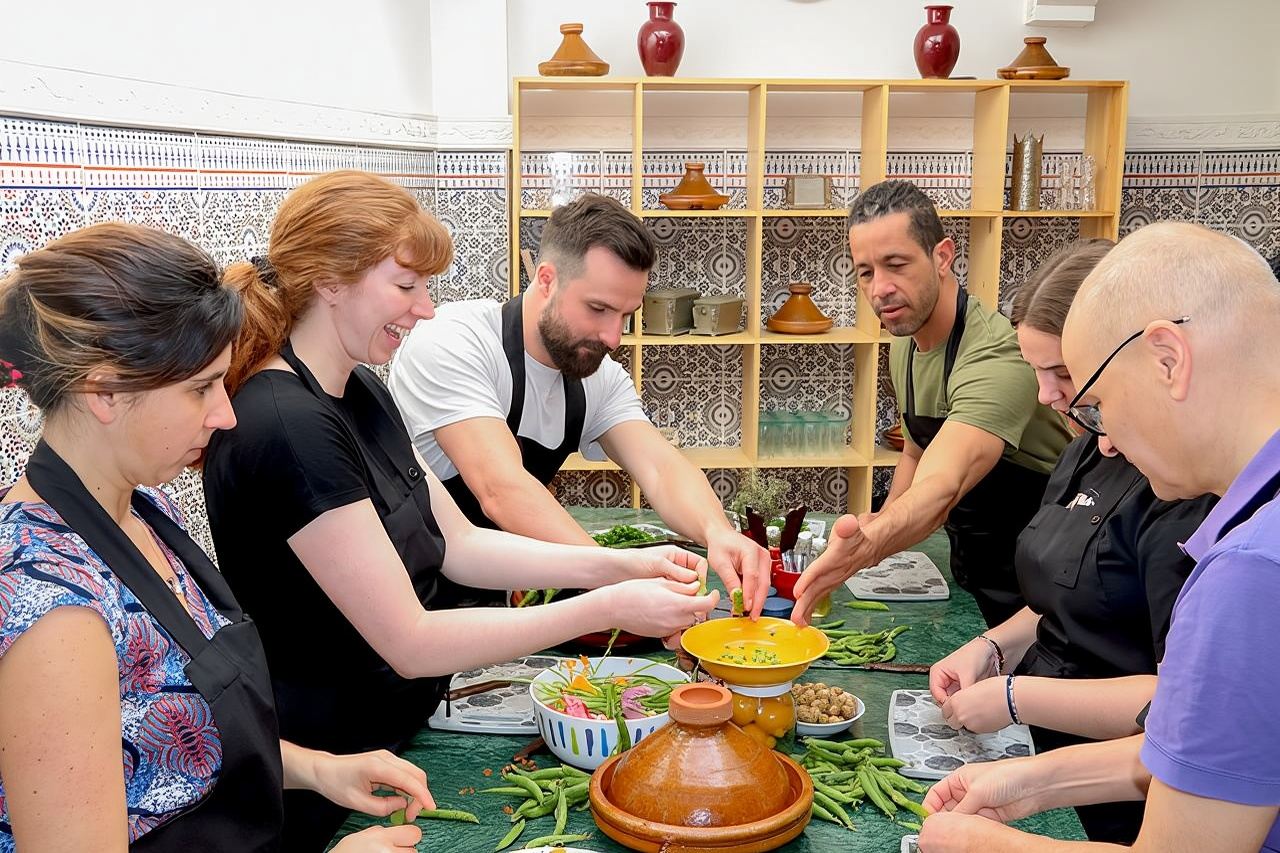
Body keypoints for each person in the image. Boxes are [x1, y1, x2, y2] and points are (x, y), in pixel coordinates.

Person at [201, 171, 718, 850]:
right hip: (332, 772)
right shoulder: (286, 425)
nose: (425, 309)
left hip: (396, 734)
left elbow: (458, 539)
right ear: (331, 279)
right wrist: (609, 604)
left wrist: (620, 564)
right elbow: (410, 639)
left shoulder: (356, 388)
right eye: (407, 285)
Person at [0, 224, 434, 852]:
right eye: (201, 388)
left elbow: (170, 743)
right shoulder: (50, 609)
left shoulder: (139, 507)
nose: (226, 414)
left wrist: (318, 769)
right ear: (105, 391)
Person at [918, 222, 1280, 853]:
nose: (1102, 437)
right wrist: (1026, 784)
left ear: (1168, 359)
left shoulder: (1250, 571)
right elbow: (1203, 757)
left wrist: (976, 845)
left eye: (1097, 402)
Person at [388, 193, 770, 614]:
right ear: (547, 279)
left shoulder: (597, 376)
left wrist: (717, 531)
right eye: (598, 308)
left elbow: (660, 467)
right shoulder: (455, 340)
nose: (613, 337)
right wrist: (616, 578)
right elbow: (501, 489)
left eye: (626, 315)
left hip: (490, 599)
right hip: (406, 597)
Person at [793, 180, 1073, 628]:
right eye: (865, 272)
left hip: (1041, 579)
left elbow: (944, 484)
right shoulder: (904, 342)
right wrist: (877, 526)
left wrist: (871, 545)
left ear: (942, 257)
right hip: (974, 568)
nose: (879, 288)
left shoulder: (997, 355)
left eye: (896, 264)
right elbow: (917, 451)